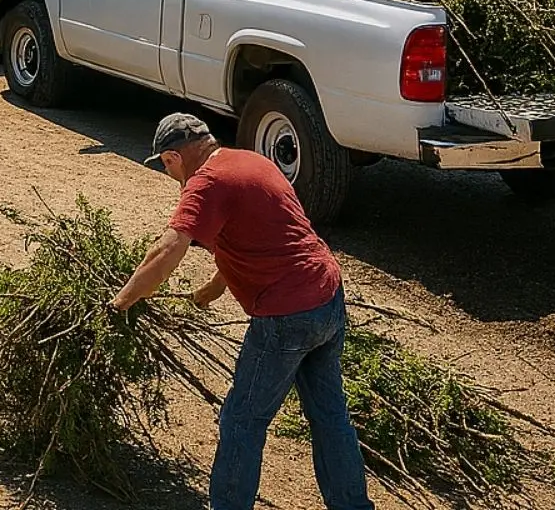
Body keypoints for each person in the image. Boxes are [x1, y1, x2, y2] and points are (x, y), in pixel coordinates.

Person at [110, 113, 373, 510]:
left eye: (166, 167)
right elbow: (259, 239)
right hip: (327, 298)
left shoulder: (205, 184)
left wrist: (120, 302)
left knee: (242, 421)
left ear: (170, 158)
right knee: (329, 415)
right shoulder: (250, 162)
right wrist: (211, 292)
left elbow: (166, 252)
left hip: (286, 315)